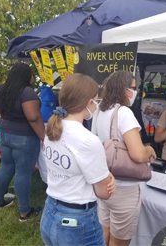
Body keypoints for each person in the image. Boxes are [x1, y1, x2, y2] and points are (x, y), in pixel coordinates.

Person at [40, 73, 116, 246]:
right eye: (96, 101)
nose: (96, 106)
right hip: (77, 221)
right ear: (88, 102)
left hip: (51, 210)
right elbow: (104, 192)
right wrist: (110, 179)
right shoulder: (88, 140)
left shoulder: (52, 129)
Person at [96, 71, 156, 246]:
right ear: (123, 89)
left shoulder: (102, 111)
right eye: (133, 88)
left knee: (103, 234)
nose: (135, 92)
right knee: (119, 241)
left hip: (105, 182)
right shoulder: (124, 113)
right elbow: (138, 154)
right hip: (125, 187)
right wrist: (150, 149)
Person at [0, 63, 45, 221]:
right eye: (32, 74)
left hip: (5, 134)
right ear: (26, 76)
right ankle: (25, 212)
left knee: (5, 167)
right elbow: (33, 117)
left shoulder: (1, 89)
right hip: (24, 137)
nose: (33, 77)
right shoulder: (27, 93)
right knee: (23, 173)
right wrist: (44, 137)